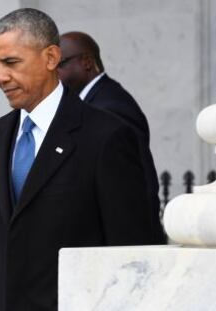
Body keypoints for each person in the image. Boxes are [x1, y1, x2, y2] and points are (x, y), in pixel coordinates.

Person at [0, 8, 165, 311]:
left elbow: (131, 253)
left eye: (11, 62)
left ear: (51, 57)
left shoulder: (106, 136)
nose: (1, 77)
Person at [58, 31, 166, 243]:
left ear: (86, 62)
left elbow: (132, 190)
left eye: (59, 65)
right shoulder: (94, 101)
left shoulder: (111, 107)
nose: (54, 75)